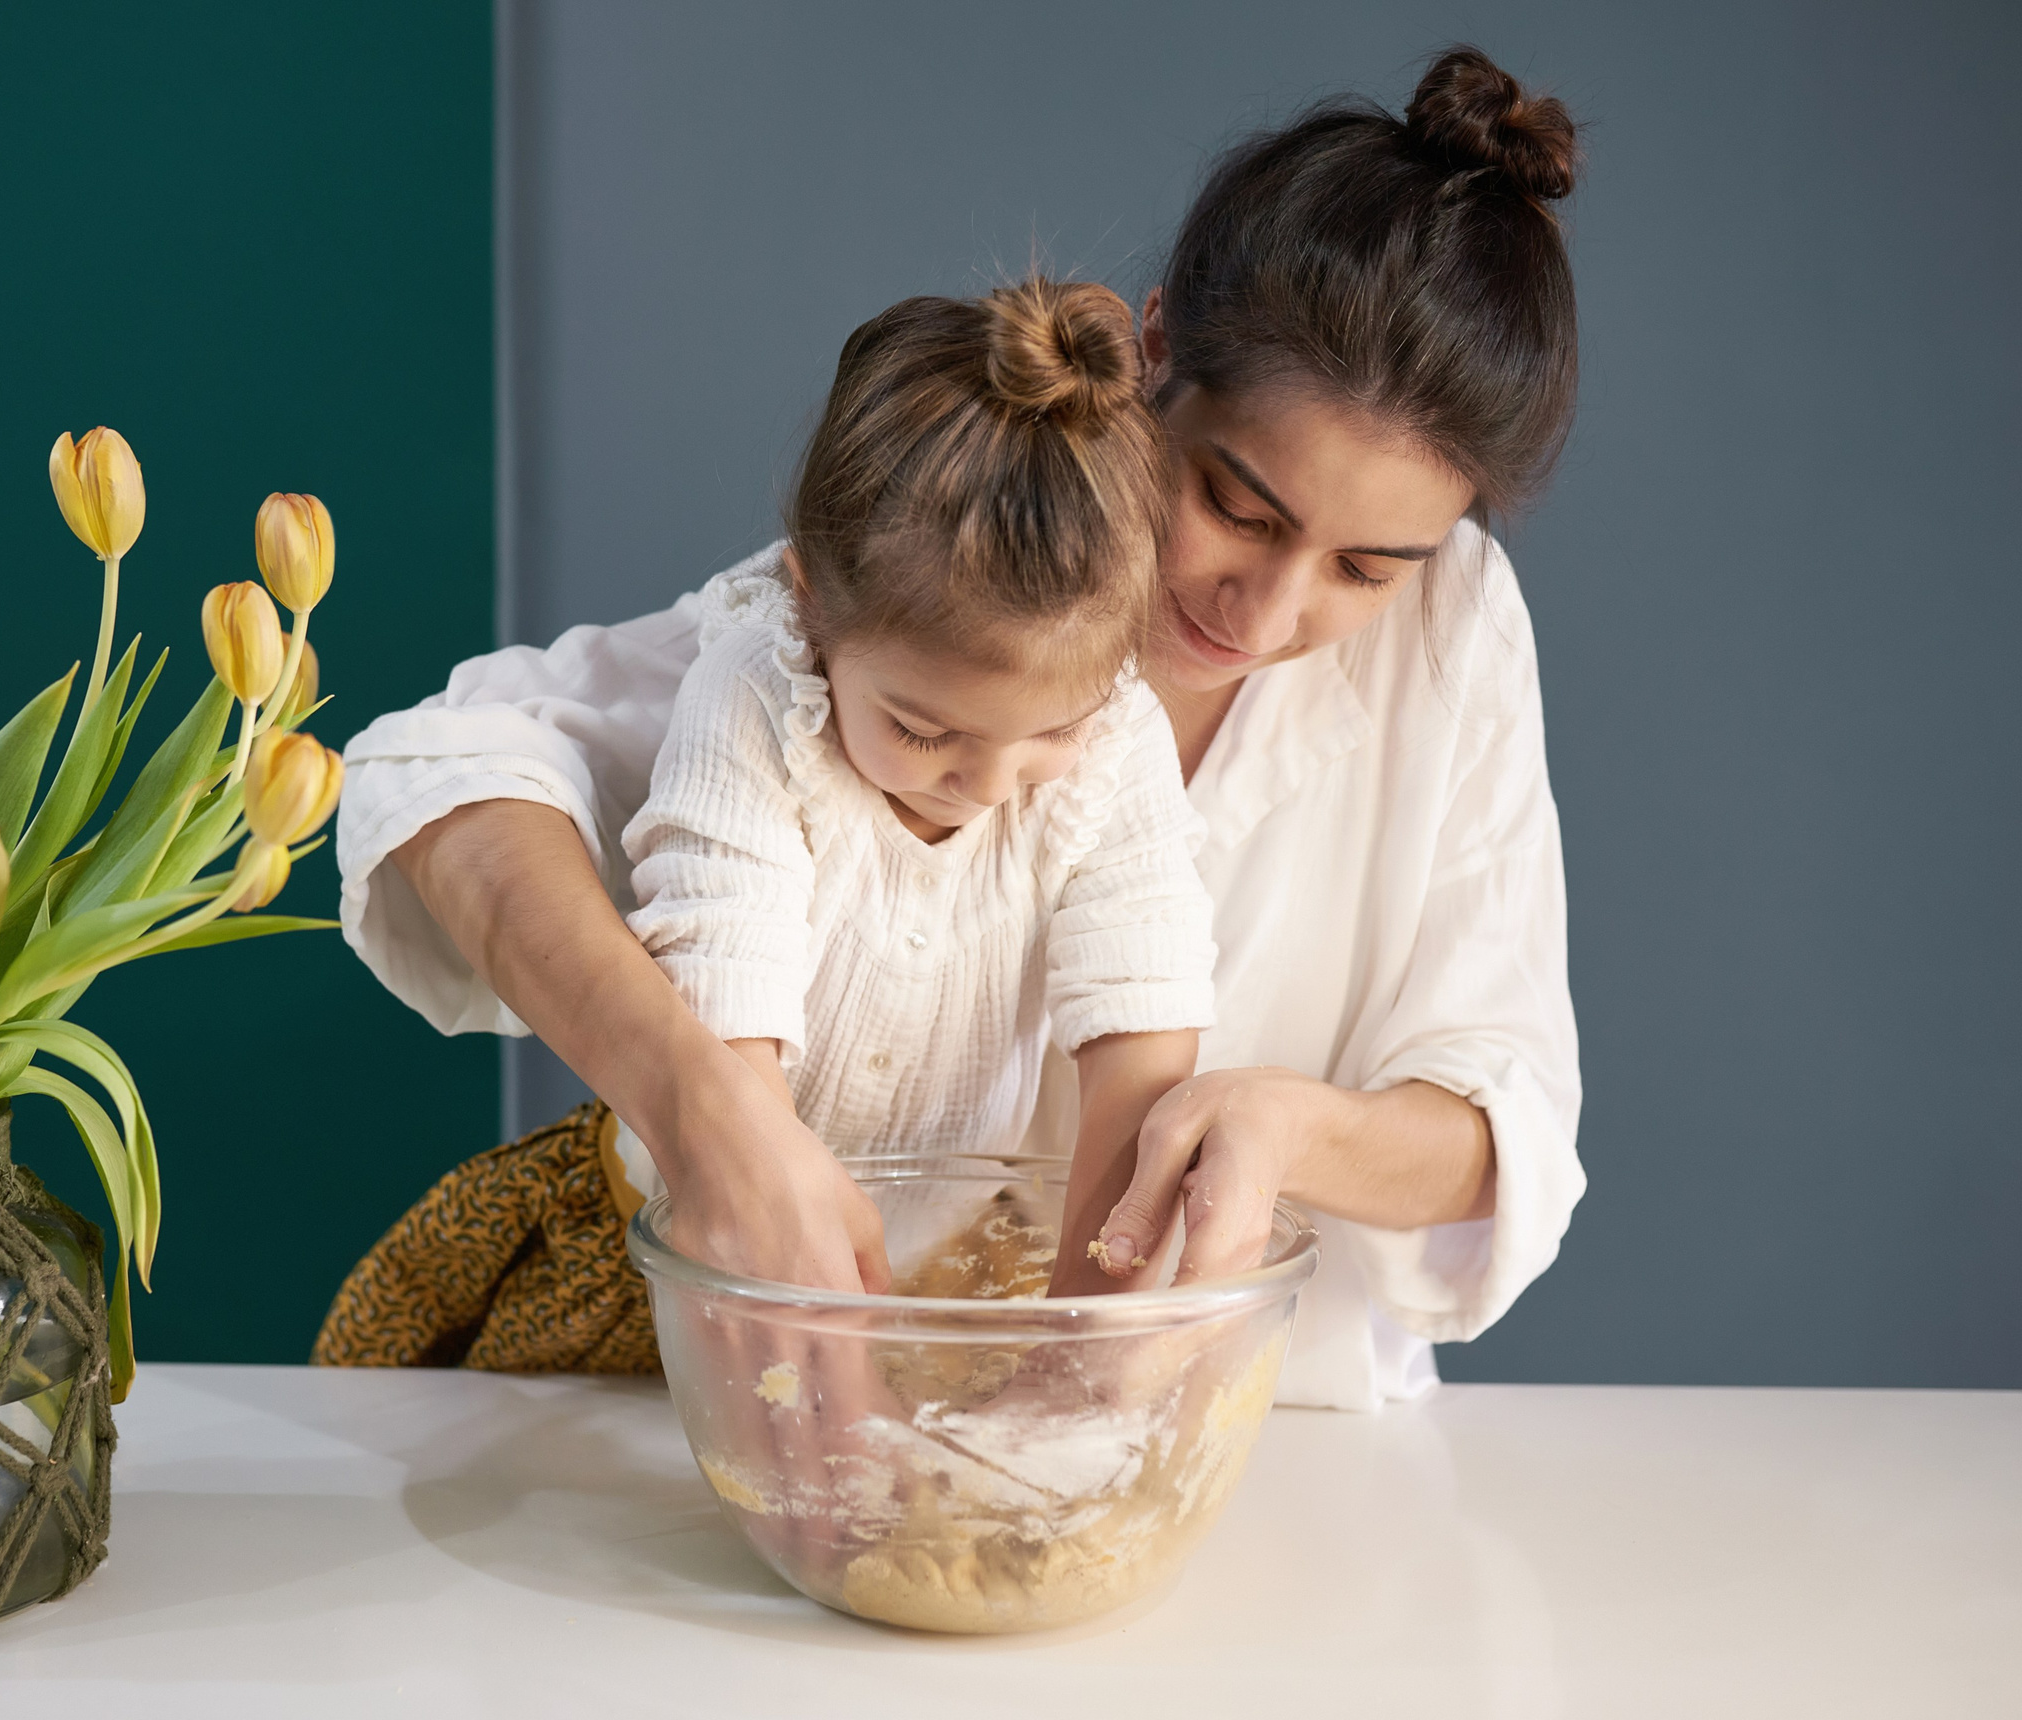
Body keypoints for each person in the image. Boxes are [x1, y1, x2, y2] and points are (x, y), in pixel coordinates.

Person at [325, 45, 1585, 1411]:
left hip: (1263, 1420)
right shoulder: (948, 552)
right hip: (804, 1366)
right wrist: (705, 1102)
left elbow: (1503, 1120)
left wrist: (1285, 1126)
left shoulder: (1455, 630)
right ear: (1153, 349)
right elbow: (448, 772)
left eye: (1367, 569)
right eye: (1239, 507)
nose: (1270, 612)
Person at [626, 277, 1217, 1293]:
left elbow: (1141, 1034)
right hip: (688, 1243)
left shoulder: (1123, 740)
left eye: (1051, 732)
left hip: (946, 1256)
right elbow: (726, 1034)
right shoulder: (755, 700)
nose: (987, 783)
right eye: (922, 727)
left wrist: (1090, 1329)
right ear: (810, 601)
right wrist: (828, 1370)